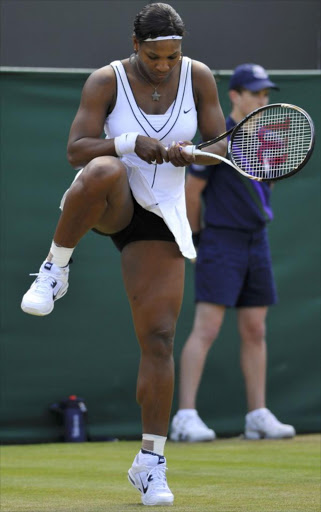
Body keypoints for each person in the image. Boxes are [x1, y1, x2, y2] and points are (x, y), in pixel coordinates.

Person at [20, 3, 227, 506]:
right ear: (136, 46)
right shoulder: (104, 81)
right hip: (114, 200)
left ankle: (150, 465)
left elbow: (220, 146)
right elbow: (76, 149)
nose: (164, 66)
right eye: (154, 56)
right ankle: (55, 267)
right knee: (103, 169)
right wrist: (133, 142)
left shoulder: (197, 76)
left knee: (158, 339)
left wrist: (188, 152)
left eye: (172, 57)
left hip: (161, 215)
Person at [170, 63, 296, 443]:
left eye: (265, 93)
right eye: (254, 92)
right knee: (206, 328)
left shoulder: (266, 142)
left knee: (255, 329)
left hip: (257, 240)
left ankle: (257, 415)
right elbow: (192, 192)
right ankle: (185, 417)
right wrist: (194, 238)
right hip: (220, 241)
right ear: (235, 96)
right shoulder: (219, 139)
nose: (261, 99)